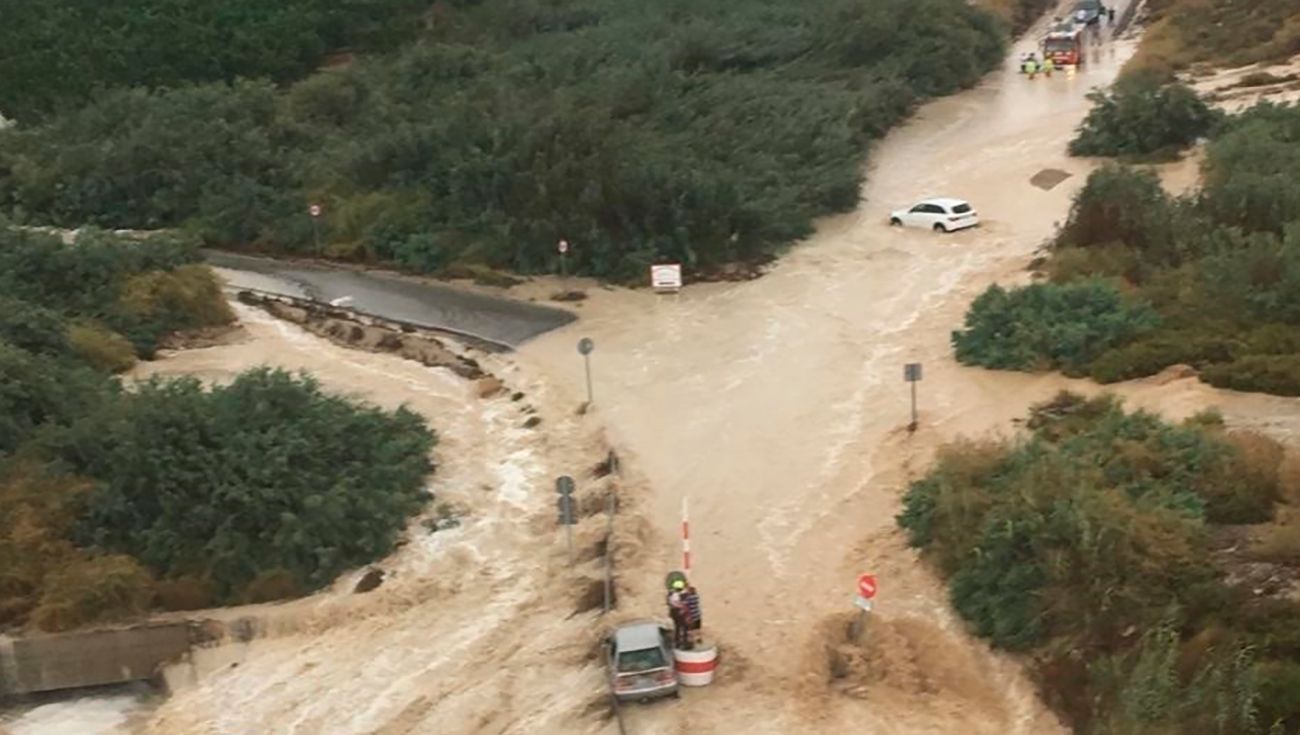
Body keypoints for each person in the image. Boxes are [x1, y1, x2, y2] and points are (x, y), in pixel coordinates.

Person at [667, 579, 690, 649]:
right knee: (684, 627)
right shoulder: (680, 595)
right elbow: (682, 602)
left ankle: (678, 642)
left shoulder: (671, 594)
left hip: (674, 612)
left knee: (677, 627)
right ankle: (684, 642)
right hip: (679, 612)